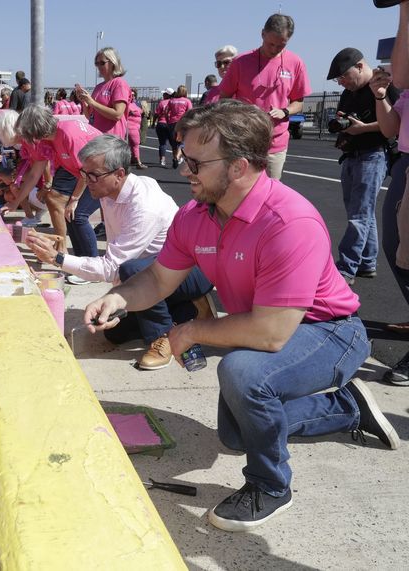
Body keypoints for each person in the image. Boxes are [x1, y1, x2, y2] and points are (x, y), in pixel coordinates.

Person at [83, 100, 398, 532]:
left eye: (195, 161)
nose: (184, 168)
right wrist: (118, 299)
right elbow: (157, 279)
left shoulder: (289, 221)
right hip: (272, 324)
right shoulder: (196, 214)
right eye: (184, 156)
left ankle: (270, 486)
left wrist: (193, 329)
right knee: (236, 435)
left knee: (244, 372)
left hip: (331, 331)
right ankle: (346, 407)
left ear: (238, 167)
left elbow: (269, 334)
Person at [26, 134, 215, 369]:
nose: (87, 181)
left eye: (93, 175)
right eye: (84, 174)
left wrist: (58, 258)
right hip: (155, 272)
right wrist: (115, 295)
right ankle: (188, 309)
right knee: (115, 333)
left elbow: (114, 266)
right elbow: (117, 253)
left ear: (119, 174)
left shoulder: (145, 206)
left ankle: (164, 336)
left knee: (131, 270)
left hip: (190, 270)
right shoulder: (108, 192)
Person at [327, 48, 399, 286]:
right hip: (352, 155)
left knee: (359, 215)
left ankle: (347, 267)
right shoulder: (350, 93)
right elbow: (348, 120)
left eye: (344, 76)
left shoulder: (385, 85)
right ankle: (367, 262)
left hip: (374, 155)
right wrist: (346, 132)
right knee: (360, 212)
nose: (342, 82)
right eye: (338, 80)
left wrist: (362, 128)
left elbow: (397, 123)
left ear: (359, 66)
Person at [9, 105, 104, 284]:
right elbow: (36, 172)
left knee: (78, 215)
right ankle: (83, 264)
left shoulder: (68, 134)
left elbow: (87, 170)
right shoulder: (51, 138)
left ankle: (94, 270)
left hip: (103, 174)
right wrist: (17, 201)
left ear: (34, 130)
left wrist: (74, 199)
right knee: (71, 215)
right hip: (90, 174)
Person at [219, 13, 311, 180]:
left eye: (281, 45)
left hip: (275, 144)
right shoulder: (240, 63)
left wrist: (285, 111)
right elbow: (223, 98)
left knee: (270, 193)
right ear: (262, 34)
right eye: (271, 44)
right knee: (239, 191)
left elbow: (298, 102)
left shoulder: (296, 63)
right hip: (244, 141)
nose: (274, 49)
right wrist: (242, 112)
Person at [369, 58, 409, 384]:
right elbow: (390, 129)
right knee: (396, 248)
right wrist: (381, 95)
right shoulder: (406, 87)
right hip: (404, 162)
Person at [77, 47, 130, 138]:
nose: (98, 66)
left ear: (113, 63)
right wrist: (84, 101)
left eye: (102, 63)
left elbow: (117, 114)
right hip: (96, 137)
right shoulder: (99, 87)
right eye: (96, 63)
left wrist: (92, 102)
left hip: (111, 139)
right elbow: (89, 116)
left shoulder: (119, 83)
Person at [165, 85, 192, 168]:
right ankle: (177, 157)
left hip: (172, 123)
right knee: (182, 142)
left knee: (174, 142)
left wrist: (168, 120)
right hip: (182, 123)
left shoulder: (172, 100)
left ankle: (174, 157)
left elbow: (166, 111)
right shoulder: (187, 101)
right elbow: (190, 112)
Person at [127, 88, 147, 169]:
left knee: (134, 145)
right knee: (135, 144)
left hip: (136, 127)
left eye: (134, 95)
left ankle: (134, 160)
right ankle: (138, 162)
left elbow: (143, 113)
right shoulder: (127, 105)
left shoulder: (136, 104)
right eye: (131, 95)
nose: (133, 97)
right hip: (130, 127)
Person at [154, 89, 172, 167]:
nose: (163, 95)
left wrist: (153, 122)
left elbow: (156, 113)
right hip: (171, 124)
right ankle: (176, 157)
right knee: (173, 143)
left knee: (162, 143)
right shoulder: (174, 102)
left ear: (168, 95)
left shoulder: (162, 102)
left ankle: (162, 159)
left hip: (161, 123)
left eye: (164, 94)